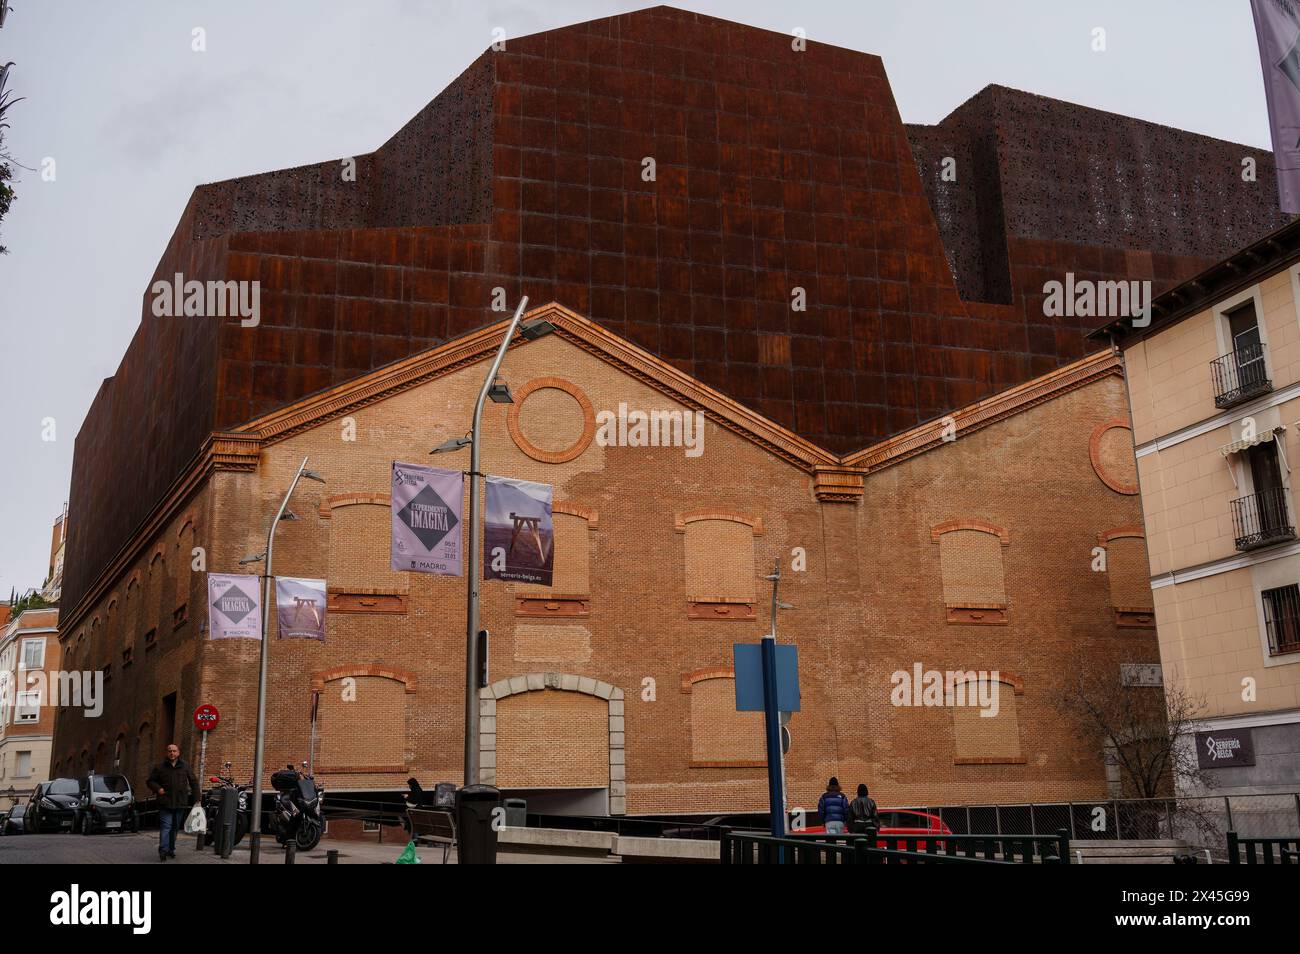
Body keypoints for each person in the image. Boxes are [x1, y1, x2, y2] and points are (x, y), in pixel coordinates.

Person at [146, 743, 198, 861]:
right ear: (167, 753)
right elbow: (150, 781)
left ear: (178, 752)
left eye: (174, 751)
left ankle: (171, 849)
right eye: (170, 751)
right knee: (166, 826)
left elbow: (194, 782)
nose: (172, 753)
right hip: (165, 802)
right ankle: (163, 850)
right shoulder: (159, 767)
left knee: (174, 828)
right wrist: (158, 788)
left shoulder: (185, 766)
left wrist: (197, 799)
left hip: (180, 802)